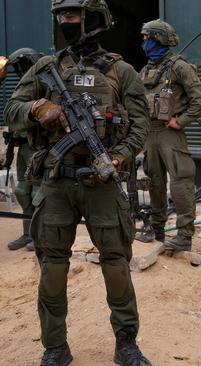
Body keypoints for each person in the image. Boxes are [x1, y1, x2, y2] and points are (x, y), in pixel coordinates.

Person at [4, 1, 151, 365]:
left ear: (94, 20)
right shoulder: (45, 68)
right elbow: (12, 109)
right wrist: (39, 108)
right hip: (55, 183)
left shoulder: (122, 71)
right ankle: (55, 347)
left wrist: (116, 158)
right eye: (60, 17)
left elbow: (140, 125)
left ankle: (126, 343)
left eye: (71, 16)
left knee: (116, 263)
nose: (64, 22)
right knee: (52, 267)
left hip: (101, 183)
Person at [135, 19, 201, 251]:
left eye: (148, 38)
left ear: (159, 39)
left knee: (181, 182)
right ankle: (157, 231)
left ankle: (184, 237)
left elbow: (200, 100)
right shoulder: (145, 70)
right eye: (144, 38)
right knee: (154, 182)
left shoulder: (179, 67)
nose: (144, 42)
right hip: (150, 134)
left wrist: (181, 120)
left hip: (170, 133)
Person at [3, 48, 43, 252]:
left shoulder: (43, 85)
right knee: (22, 192)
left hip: (37, 148)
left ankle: (39, 235)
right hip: (23, 146)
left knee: (38, 192)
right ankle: (27, 233)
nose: (19, 70)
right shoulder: (22, 87)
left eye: (21, 66)